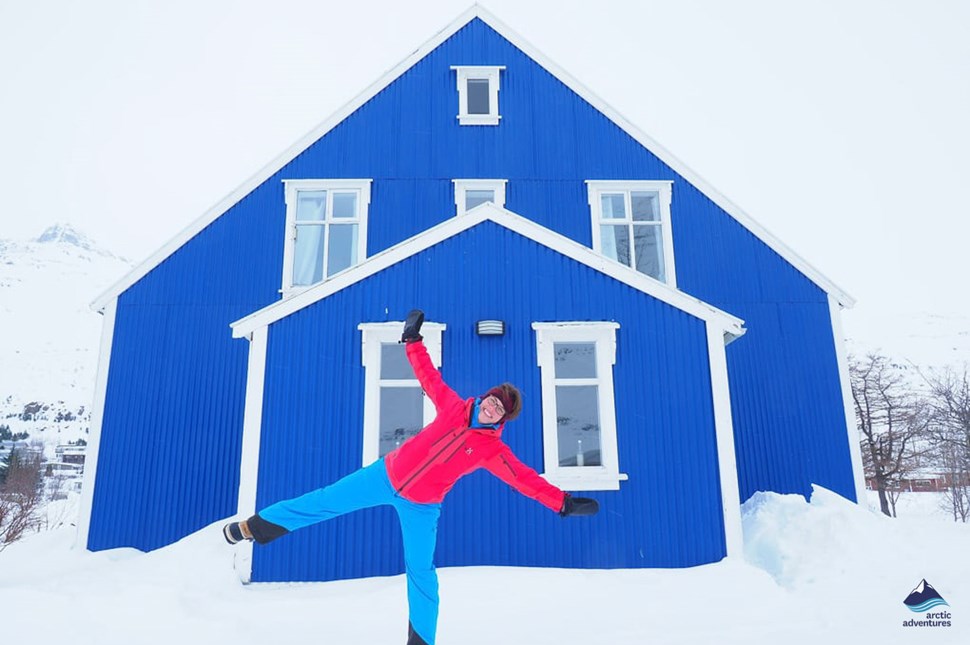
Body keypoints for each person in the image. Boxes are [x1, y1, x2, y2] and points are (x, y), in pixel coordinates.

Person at [223, 309, 598, 645]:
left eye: (499, 407)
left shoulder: (493, 450)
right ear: (484, 398)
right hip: (386, 475)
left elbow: (525, 479)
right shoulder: (453, 406)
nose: (491, 406)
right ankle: (253, 528)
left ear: (502, 418)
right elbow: (428, 375)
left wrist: (562, 503)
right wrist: (413, 339)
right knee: (323, 501)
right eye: (491, 399)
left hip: (422, 506)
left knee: (421, 572)